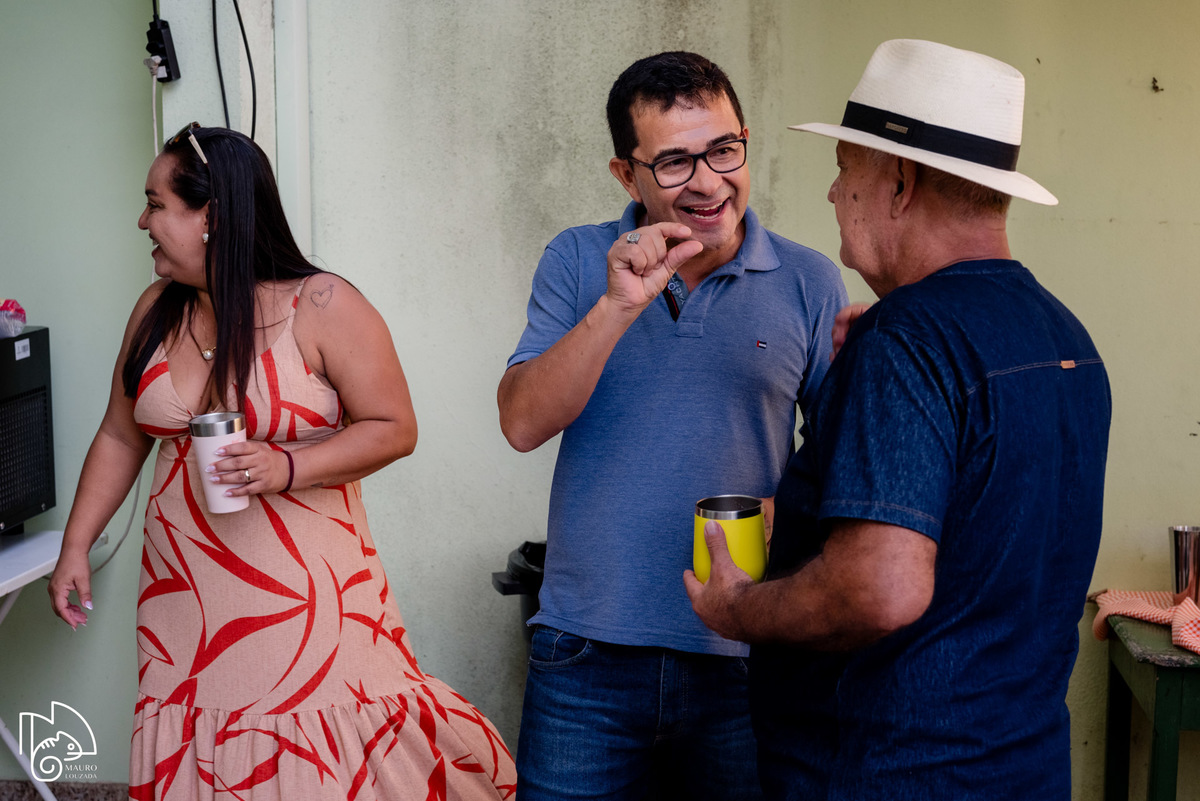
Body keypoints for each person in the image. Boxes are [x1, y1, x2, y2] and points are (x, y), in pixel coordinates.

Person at [686, 39, 1112, 800]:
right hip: (1026, 771)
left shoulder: (907, 341)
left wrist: (740, 608)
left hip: (891, 774)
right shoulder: (1064, 337)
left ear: (900, 182)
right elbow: (986, 530)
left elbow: (880, 589)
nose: (832, 193)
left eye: (844, 168)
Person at [48, 124, 516, 800]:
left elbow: (395, 428)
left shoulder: (322, 304)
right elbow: (121, 436)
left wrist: (286, 467)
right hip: (184, 613)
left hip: (309, 613)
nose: (142, 221)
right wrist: (75, 544)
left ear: (211, 216)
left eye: (155, 204)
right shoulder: (154, 311)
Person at [498, 52, 847, 799]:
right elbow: (523, 422)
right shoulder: (577, 259)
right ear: (627, 176)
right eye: (675, 162)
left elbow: (842, 462)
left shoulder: (809, 280)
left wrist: (786, 515)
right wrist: (617, 305)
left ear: (745, 141)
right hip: (585, 651)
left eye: (723, 150)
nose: (709, 182)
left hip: (745, 652)